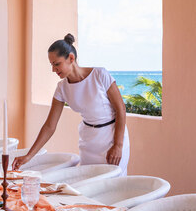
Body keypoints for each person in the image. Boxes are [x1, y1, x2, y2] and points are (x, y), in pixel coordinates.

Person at [13, 34, 129, 175]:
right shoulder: (62, 88)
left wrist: (118, 145)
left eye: (57, 64)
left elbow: (121, 109)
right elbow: (50, 126)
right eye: (51, 65)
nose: (53, 70)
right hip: (89, 143)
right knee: (88, 187)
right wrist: (29, 157)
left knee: (114, 185)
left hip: (112, 140)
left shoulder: (100, 75)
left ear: (71, 58)